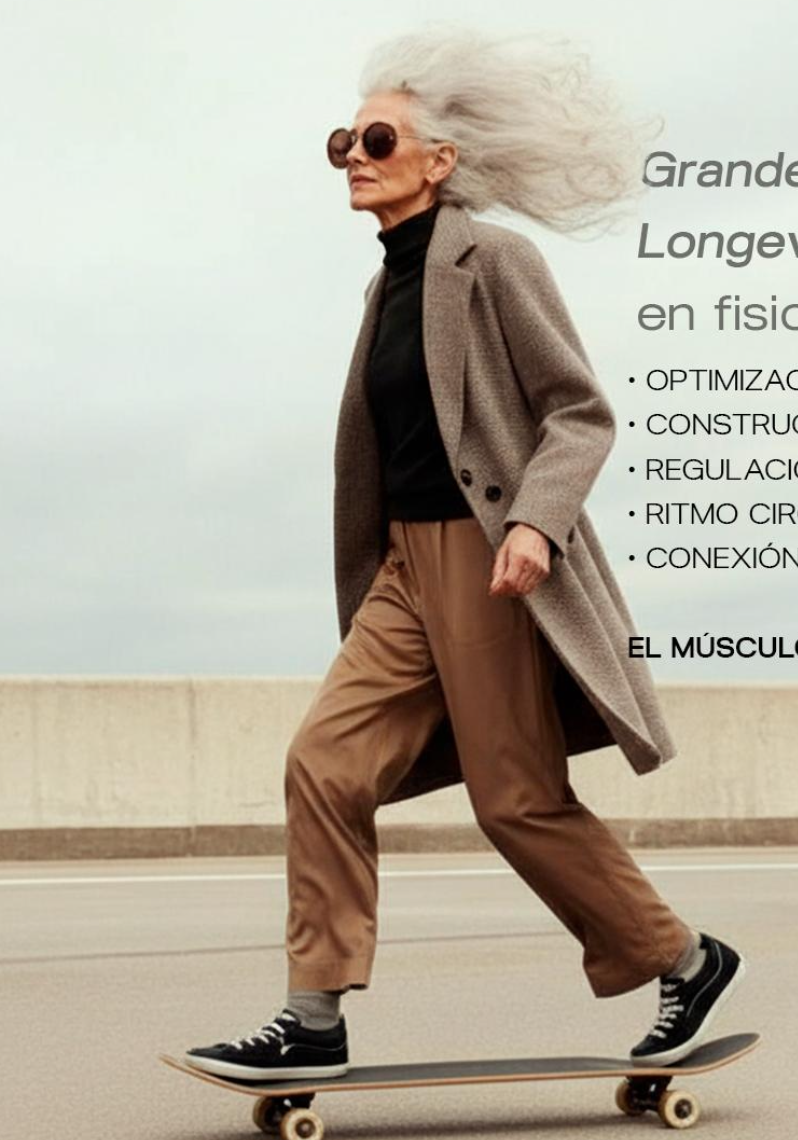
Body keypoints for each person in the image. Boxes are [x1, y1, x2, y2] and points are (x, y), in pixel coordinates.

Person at [182, 27, 744, 1080]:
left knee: (515, 801)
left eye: (377, 136)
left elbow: (578, 413)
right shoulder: (384, 289)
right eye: (343, 138)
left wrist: (535, 521)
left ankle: (682, 957)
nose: (354, 152)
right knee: (323, 763)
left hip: (487, 559)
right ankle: (313, 1014)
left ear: (437, 161)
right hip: (402, 569)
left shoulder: (493, 260)